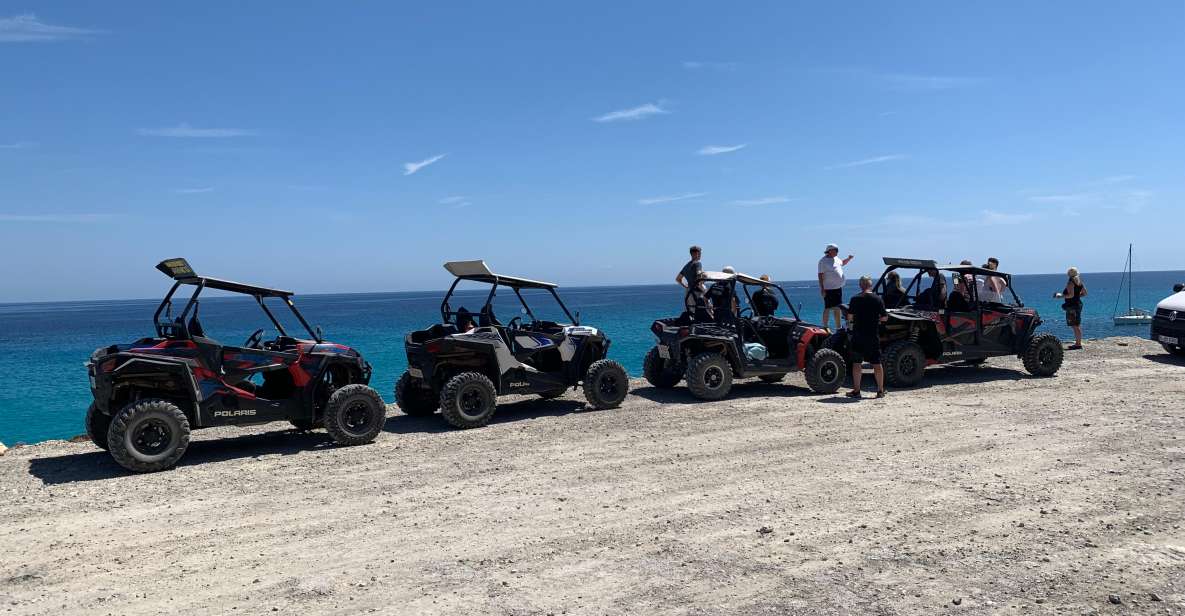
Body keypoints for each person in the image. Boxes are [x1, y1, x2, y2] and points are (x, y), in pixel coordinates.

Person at [846, 275, 887, 399]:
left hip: (858, 335)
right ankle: (880, 390)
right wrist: (877, 320)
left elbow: (850, 317)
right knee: (876, 363)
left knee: (857, 363)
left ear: (860, 285)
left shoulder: (854, 299)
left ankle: (857, 390)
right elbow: (884, 317)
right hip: (872, 335)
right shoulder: (877, 299)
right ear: (871, 285)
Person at [818, 243, 854, 331]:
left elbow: (842, 263)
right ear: (829, 251)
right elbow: (820, 275)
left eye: (837, 250)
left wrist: (849, 259)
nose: (837, 252)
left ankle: (838, 327)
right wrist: (822, 288)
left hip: (838, 288)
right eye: (835, 250)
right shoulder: (823, 261)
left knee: (838, 307)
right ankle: (825, 326)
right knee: (828, 307)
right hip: (829, 288)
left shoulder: (836, 259)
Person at [1054, 267, 1088, 349]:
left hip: (1072, 306)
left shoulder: (1070, 282)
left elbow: (1071, 295)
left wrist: (1060, 296)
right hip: (1078, 304)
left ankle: (1078, 344)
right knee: (1077, 324)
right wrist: (1077, 296)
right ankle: (1078, 343)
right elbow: (1085, 293)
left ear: (1069, 274)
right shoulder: (1079, 282)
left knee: (1074, 325)